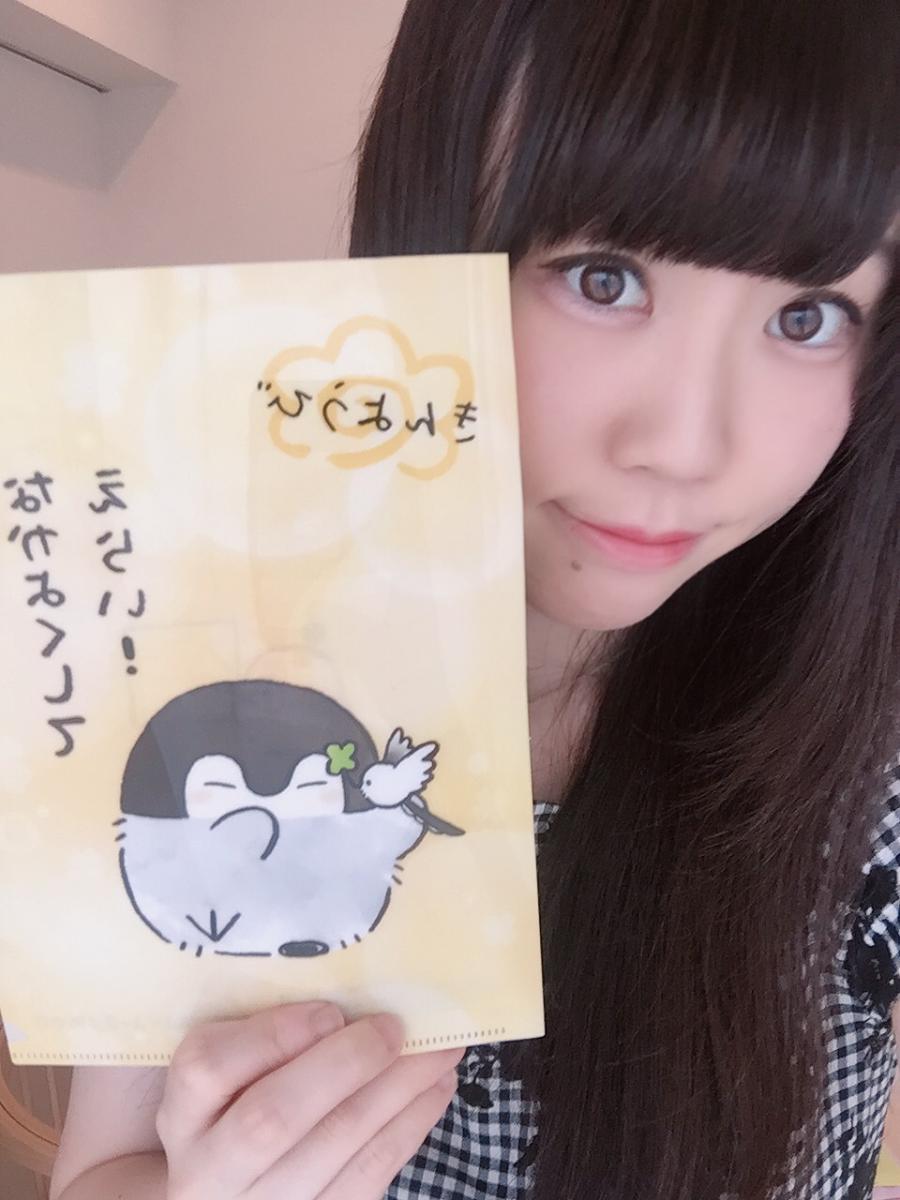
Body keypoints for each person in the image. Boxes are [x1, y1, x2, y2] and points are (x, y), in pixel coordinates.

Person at [49, 0, 899, 1197]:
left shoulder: (869, 744)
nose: (686, 446)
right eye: (603, 278)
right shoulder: (218, 664)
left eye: (806, 316)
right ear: (432, 227)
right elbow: (101, 1169)